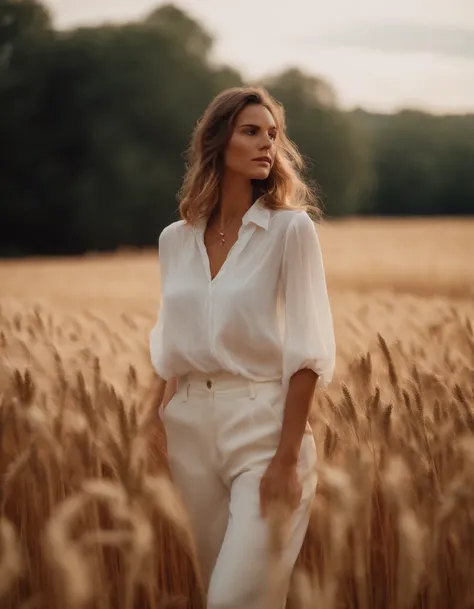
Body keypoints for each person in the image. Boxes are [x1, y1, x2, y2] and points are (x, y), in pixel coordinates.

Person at [149, 86, 336, 609]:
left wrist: (285, 459)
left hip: (262, 427)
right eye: (251, 131)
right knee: (218, 591)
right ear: (217, 140)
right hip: (188, 430)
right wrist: (153, 422)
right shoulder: (175, 240)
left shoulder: (290, 230)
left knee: (234, 600)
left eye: (273, 134)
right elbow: (171, 340)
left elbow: (308, 349)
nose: (266, 145)